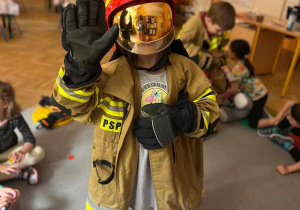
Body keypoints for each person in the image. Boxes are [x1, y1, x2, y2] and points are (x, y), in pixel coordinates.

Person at [51, 0, 219, 209]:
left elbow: (210, 109)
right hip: (117, 182)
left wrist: (182, 118)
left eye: (153, 21)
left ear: (168, 22)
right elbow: (73, 106)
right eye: (134, 23)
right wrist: (79, 72)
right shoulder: (107, 75)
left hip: (173, 180)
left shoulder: (186, 70)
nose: (145, 33)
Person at [177, 1, 236, 105]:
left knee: (221, 84)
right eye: (218, 30)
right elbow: (181, 46)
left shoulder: (216, 25)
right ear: (208, 20)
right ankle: (205, 105)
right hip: (192, 64)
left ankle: (220, 101)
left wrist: (221, 58)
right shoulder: (193, 24)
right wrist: (208, 60)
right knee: (200, 90)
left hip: (210, 61)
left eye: (223, 31)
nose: (220, 34)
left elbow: (218, 45)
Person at [0, 81, 45, 185]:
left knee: (38, 152)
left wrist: (22, 152)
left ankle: (10, 171)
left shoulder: (14, 116)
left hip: (10, 153)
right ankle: (18, 173)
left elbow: (29, 138)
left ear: (5, 104)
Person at [219, 40, 268, 128]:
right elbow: (237, 78)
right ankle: (260, 111)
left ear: (233, 54)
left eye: (229, 51)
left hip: (258, 97)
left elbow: (234, 90)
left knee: (253, 123)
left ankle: (275, 121)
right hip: (261, 93)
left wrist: (223, 97)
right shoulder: (244, 63)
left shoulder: (237, 68)